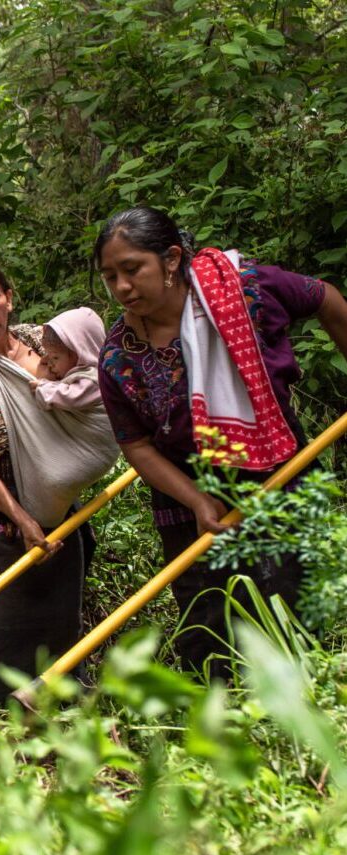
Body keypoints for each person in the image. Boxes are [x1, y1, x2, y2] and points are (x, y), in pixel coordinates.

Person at [93, 206, 347, 675]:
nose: (122, 287)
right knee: (210, 632)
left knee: (289, 619)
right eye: (111, 276)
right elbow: (137, 446)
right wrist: (197, 500)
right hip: (190, 504)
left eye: (132, 269)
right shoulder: (117, 358)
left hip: (280, 477)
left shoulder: (243, 289)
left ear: (170, 260)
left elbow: (325, 297)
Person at [0, 260, 118, 702]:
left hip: (56, 506)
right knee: (3, 628)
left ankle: (64, 729)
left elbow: (91, 377)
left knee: (58, 625)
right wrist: (23, 519)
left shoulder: (42, 339)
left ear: (9, 296)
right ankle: (1, 730)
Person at [31, 307, 108, 413]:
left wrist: (44, 389)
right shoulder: (80, 375)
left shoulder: (94, 379)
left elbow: (71, 398)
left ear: (79, 354)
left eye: (55, 357)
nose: (50, 363)